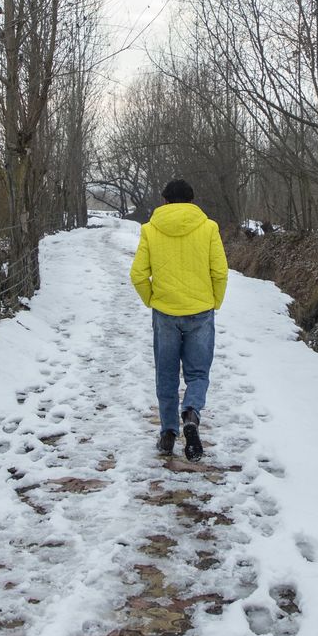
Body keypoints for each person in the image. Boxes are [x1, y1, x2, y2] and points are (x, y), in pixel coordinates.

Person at [129, 178, 229, 460]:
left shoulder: (150, 230)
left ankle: (168, 433)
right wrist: (214, 301)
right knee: (198, 373)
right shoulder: (208, 228)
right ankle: (191, 414)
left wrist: (152, 299)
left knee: (167, 374)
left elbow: (137, 274)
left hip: (165, 313)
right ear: (192, 200)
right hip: (200, 310)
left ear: (164, 201)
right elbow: (220, 272)